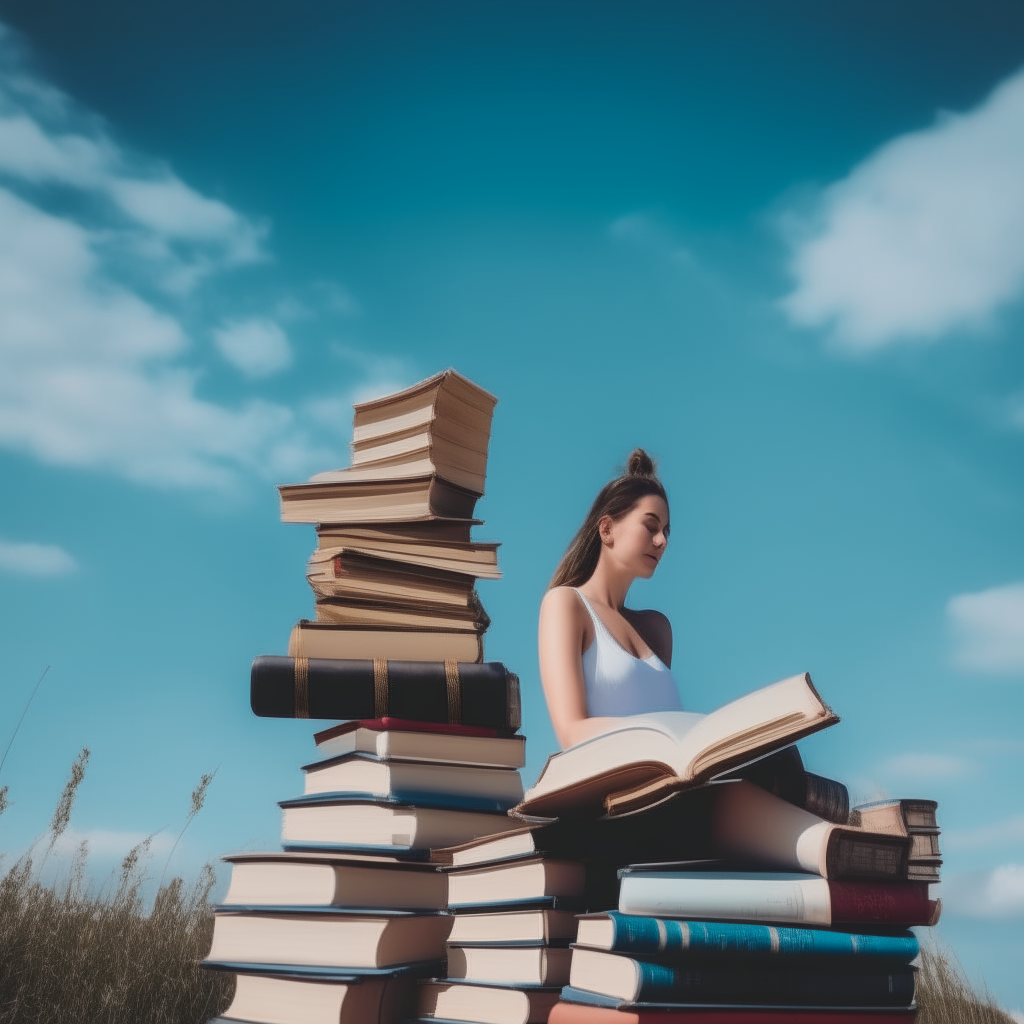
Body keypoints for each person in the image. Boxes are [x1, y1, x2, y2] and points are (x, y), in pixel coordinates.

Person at [538, 448, 683, 750]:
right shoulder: (567, 605)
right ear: (606, 529)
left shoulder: (657, 629)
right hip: (625, 787)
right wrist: (665, 733)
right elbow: (571, 732)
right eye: (651, 526)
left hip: (679, 781)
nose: (662, 541)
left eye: (666, 531)